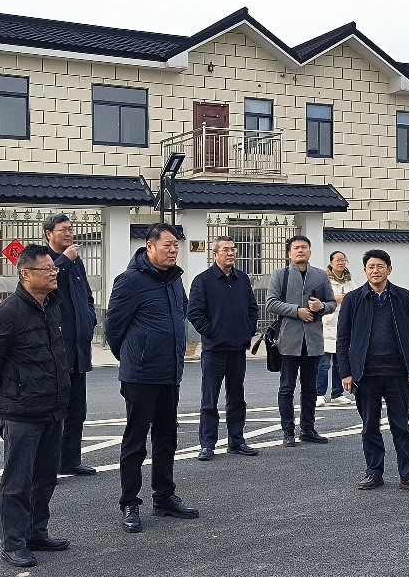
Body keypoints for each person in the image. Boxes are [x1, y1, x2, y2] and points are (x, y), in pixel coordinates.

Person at [0, 244, 71, 567]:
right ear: (26, 275)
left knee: (45, 478)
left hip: (52, 407)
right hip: (21, 412)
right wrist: (9, 398)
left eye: (54, 268)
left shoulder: (52, 306)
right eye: (48, 269)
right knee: (17, 482)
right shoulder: (7, 314)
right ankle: (14, 542)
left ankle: (36, 532)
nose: (54, 273)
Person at [105, 223, 198, 533]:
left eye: (176, 245)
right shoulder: (130, 281)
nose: (173, 250)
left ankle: (164, 495)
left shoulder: (174, 279)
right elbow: (114, 329)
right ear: (149, 246)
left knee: (166, 437)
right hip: (140, 375)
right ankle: (130, 503)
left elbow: (181, 314)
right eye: (167, 245)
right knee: (135, 441)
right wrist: (135, 356)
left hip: (169, 372)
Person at [337, 249, 409, 494]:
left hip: (397, 372)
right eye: (371, 267)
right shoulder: (353, 299)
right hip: (365, 373)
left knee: (401, 426)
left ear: (389, 269)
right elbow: (343, 338)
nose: (375, 271)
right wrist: (346, 372)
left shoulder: (404, 297)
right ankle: (374, 472)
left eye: (380, 266)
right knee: (370, 426)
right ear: (364, 271)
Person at [187, 236, 260, 461]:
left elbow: (252, 308)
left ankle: (236, 441)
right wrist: (212, 332)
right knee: (210, 400)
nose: (230, 253)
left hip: (238, 348)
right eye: (225, 250)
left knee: (237, 398)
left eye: (233, 249)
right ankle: (207, 444)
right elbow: (194, 312)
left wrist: (248, 329)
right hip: (214, 349)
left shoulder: (242, 279)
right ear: (215, 254)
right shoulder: (203, 280)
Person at [266, 235, 337, 447]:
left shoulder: (320, 275)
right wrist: (297, 311)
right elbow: (271, 303)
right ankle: (288, 430)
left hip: (313, 341)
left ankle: (308, 428)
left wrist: (321, 307)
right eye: (296, 248)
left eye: (304, 247)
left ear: (310, 252)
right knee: (287, 387)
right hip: (288, 340)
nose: (300, 250)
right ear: (289, 253)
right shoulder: (280, 274)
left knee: (310, 388)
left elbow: (332, 303)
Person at [43, 214, 98, 476]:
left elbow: (86, 296)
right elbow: (45, 283)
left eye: (71, 229)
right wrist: (64, 260)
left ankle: (71, 460)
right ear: (48, 234)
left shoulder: (76, 262)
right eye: (63, 229)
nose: (69, 233)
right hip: (57, 346)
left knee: (77, 410)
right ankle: (50, 466)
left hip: (78, 346)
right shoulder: (45, 260)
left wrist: (90, 318)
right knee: (57, 411)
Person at [316, 250, 355, 406]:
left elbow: (356, 295)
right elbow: (317, 298)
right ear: (331, 263)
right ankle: (319, 393)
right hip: (327, 325)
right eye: (337, 260)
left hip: (343, 324)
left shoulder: (349, 280)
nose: (341, 263)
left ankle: (337, 393)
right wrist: (334, 298)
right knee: (324, 364)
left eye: (343, 260)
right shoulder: (324, 279)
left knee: (340, 364)